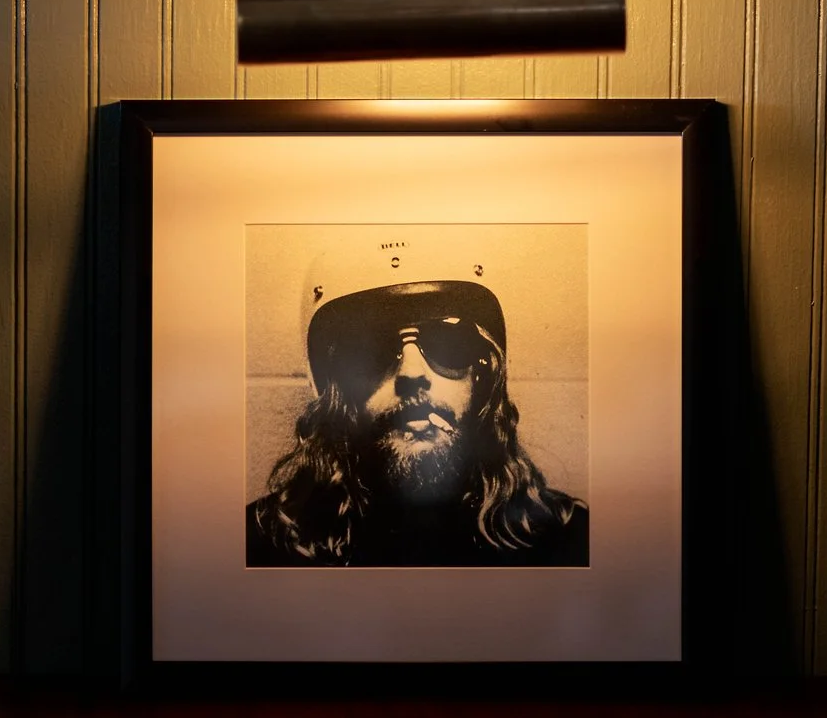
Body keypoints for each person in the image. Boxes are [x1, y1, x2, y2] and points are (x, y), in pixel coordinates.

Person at [245, 242, 588, 567]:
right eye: (370, 349)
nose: (412, 373)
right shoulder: (260, 545)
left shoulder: (568, 540)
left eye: (448, 341)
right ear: (333, 387)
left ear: (483, 373)